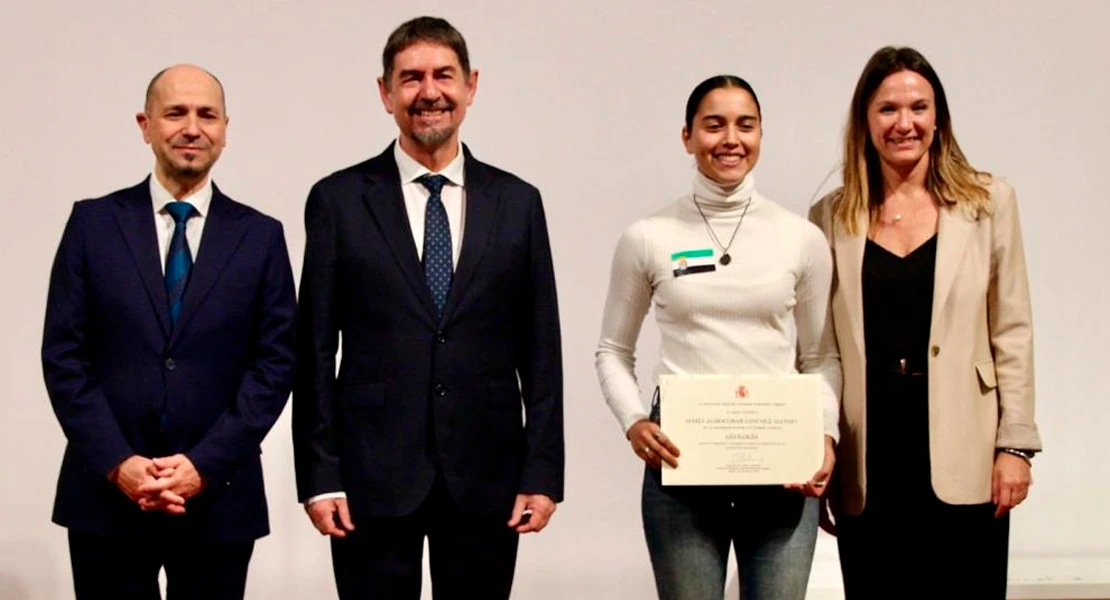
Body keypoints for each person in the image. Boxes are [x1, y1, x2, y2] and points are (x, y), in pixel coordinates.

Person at [292, 16, 564, 600]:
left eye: (444, 75)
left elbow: (541, 349)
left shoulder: (517, 202)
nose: (429, 91)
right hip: (370, 476)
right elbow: (312, 349)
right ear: (385, 92)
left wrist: (542, 473)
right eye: (410, 78)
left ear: (471, 85)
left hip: (487, 474)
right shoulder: (338, 201)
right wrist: (319, 476)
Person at [40, 64, 297, 600]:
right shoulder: (92, 224)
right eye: (175, 113)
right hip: (106, 499)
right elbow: (64, 356)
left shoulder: (261, 236)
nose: (192, 127)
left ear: (226, 128)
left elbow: (274, 364)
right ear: (146, 124)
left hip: (219, 498)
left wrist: (204, 464)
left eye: (207, 114)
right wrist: (118, 463)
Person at [595, 75, 841, 600]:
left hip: (782, 472)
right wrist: (634, 420)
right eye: (714, 125)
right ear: (687, 136)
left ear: (760, 134)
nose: (730, 138)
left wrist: (825, 436)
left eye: (744, 125)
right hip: (683, 469)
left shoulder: (802, 238)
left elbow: (821, 356)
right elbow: (613, 351)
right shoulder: (649, 237)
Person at [808, 46, 1042, 598]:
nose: (904, 123)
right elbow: (821, 351)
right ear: (865, 121)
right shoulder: (830, 217)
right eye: (888, 109)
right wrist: (819, 449)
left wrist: (1016, 446)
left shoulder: (989, 203)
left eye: (919, 107)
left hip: (967, 448)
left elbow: (1013, 330)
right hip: (869, 454)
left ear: (939, 118)